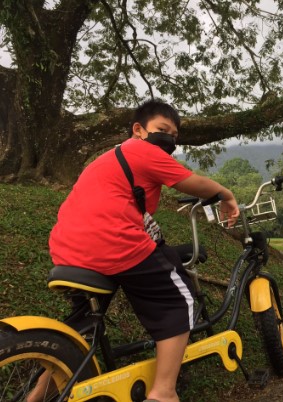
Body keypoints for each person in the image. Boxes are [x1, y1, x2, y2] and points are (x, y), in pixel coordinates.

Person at [34, 99, 239, 402]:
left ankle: (34, 397)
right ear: (138, 129)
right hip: (112, 244)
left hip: (68, 249)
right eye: (162, 130)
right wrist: (227, 194)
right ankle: (164, 392)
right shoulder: (142, 150)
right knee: (180, 303)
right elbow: (191, 183)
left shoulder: (107, 159)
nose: (169, 139)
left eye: (174, 135)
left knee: (80, 334)